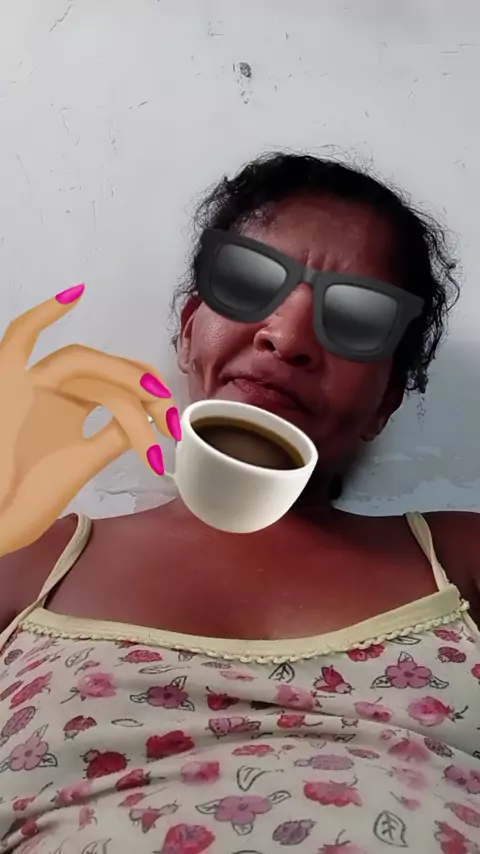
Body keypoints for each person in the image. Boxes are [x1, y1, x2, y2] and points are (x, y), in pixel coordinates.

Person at [1, 152, 479, 853]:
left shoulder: (461, 559)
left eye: (356, 317)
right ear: (189, 330)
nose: (286, 338)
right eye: (250, 281)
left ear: (387, 402)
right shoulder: (30, 559)